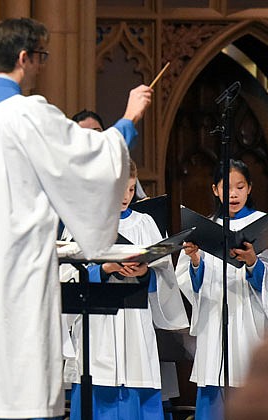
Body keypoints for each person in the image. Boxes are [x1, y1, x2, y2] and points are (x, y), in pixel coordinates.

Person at [0, 17, 153, 419]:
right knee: (17, 384)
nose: (42, 66)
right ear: (24, 57)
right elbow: (87, 158)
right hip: (17, 271)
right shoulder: (28, 113)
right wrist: (129, 120)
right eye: (41, 57)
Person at [66, 160, 188, 420]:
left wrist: (145, 272)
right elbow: (65, 274)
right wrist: (105, 268)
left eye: (131, 189)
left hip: (135, 324)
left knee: (137, 383)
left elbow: (165, 273)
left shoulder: (144, 224)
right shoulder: (84, 222)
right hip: (98, 326)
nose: (125, 197)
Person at [175, 159, 268, 420]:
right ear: (214, 190)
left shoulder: (265, 224)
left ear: (250, 188)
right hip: (215, 325)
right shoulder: (204, 227)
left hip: (250, 324)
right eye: (226, 188)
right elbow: (191, 285)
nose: (233, 194)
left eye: (240, 187)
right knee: (214, 389)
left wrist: (253, 263)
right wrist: (197, 262)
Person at [72, 109, 147, 201]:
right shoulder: (70, 171)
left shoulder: (120, 164)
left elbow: (141, 198)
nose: (94, 138)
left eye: (97, 132)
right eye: (86, 135)